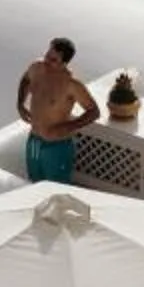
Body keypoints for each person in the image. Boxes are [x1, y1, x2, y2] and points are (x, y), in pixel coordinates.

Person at [17, 36, 100, 181]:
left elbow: (94, 112)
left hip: (57, 146)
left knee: (55, 190)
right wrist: (20, 104)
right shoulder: (36, 68)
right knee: (33, 183)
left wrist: (68, 127)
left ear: (65, 63)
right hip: (34, 141)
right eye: (47, 56)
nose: (47, 62)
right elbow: (25, 80)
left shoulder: (71, 85)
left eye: (54, 60)